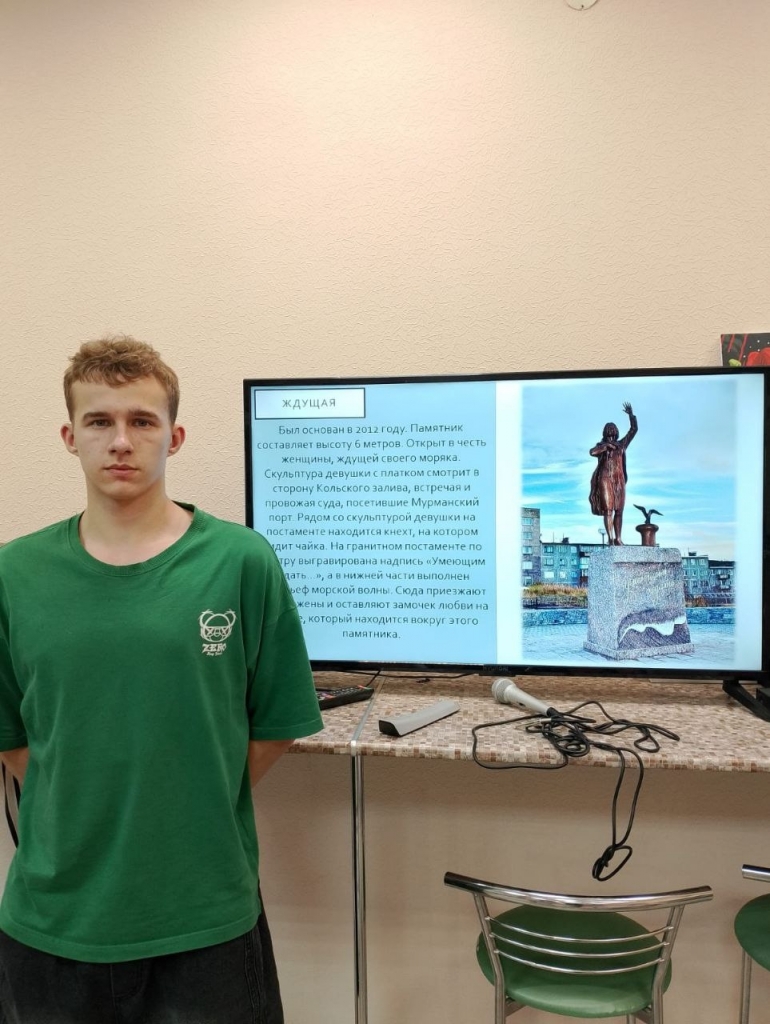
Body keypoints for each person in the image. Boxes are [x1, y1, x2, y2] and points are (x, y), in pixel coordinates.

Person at [0, 336, 323, 1023]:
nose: (121, 441)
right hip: (56, 919)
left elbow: (275, 725)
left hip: (205, 916)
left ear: (174, 437)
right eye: (99, 421)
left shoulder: (241, 562)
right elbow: (14, 740)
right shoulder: (12, 574)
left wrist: (185, 798)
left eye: (142, 421)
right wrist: (83, 793)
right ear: (70, 437)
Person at [588, 401, 638, 545]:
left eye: (613, 427)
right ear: (605, 432)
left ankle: (618, 538)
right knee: (608, 509)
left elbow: (633, 430)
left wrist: (631, 415)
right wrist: (606, 446)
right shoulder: (601, 446)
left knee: (619, 510)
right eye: (608, 428)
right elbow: (592, 452)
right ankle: (610, 538)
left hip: (619, 480)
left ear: (616, 431)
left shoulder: (622, 444)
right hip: (605, 479)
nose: (611, 429)